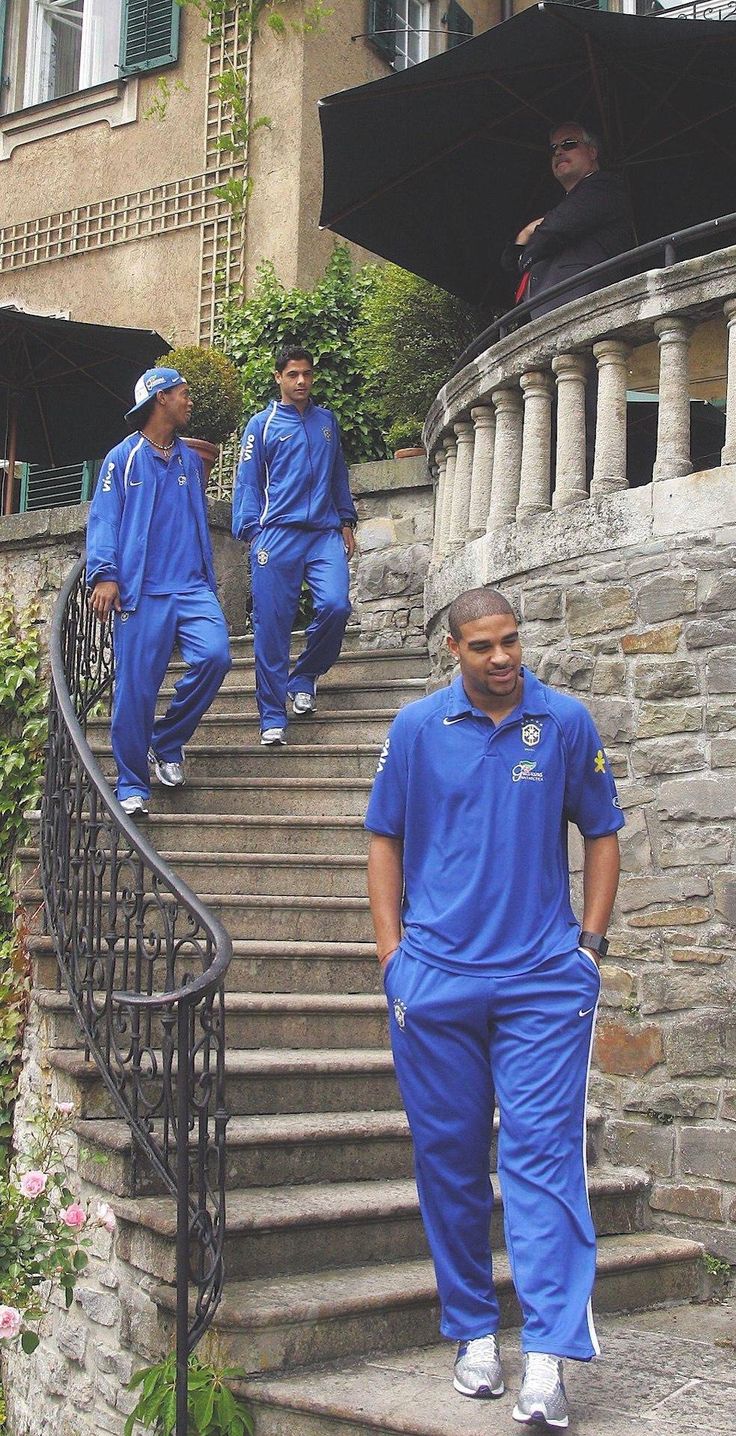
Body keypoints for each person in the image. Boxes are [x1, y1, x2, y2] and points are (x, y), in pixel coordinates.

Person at [365, 586, 623, 1429]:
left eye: (511, 641)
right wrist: (392, 959)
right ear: (453, 651)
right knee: (448, 1162)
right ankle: (474, 1329)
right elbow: (384, 839)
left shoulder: (565, 722)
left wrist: (588, 947)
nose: (503, 658)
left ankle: (547, 1354)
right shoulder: (415, 730)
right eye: (483, 646)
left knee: (543, 1162)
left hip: (544, 982)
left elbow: (603, 828)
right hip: (434, 982)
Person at [86, 367, 232, 816]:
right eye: (184, 394)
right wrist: (105, 573)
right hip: (141, 592)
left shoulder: (190, 458)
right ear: (161, 398)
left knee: (216, 657)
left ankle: (166, 741)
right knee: (136, 690)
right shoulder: (123, 458)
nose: (190, 401)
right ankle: (132, 782)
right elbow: (105, 517)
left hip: (190, 586)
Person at [231, 345, 358, 745]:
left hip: (323, 533)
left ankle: (304, 676)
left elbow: (337, 472)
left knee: (336, 606)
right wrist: (251, 530)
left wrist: (346, 519)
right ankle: (272, 716)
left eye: (306, 374)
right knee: (272, 629)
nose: (300, 381)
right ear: (278, 378)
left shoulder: (327, 422)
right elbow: (248, 480)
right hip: (276, 535)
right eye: (292, 375)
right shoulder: (262, 425)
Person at [505, 122, 634, 318]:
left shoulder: (603, 186)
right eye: (553, 148)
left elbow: (555, 229)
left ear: (592, 152)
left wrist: (526, 245)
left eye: (569, 144)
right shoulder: (567, 205)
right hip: (553, 313)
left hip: (583, 307)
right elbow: (508, 262)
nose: (558, 152)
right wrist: (525, 234)